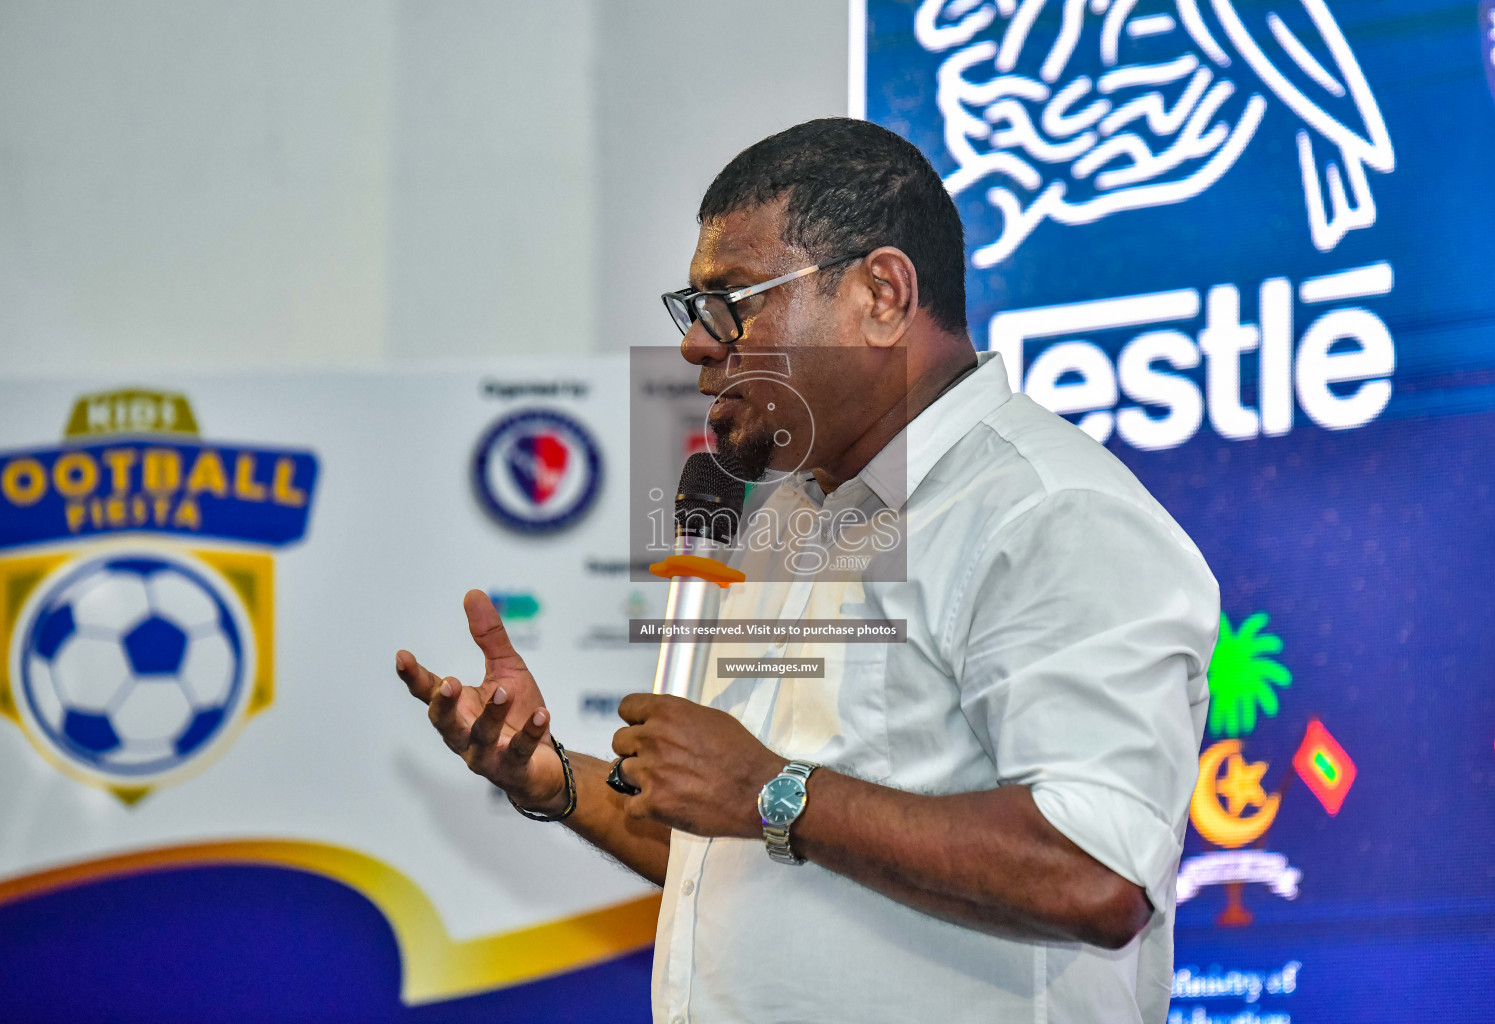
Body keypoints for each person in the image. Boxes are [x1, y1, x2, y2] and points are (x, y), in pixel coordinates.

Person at [395, 117, 1219, 1024]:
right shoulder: (792, 522)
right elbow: (738, 849)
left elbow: (1100, 874)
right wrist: (550, 777)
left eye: (732, 301)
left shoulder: (1045, 510)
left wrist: (770, 790)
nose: (696, 348)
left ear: (882, 294)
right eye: (692, 310)